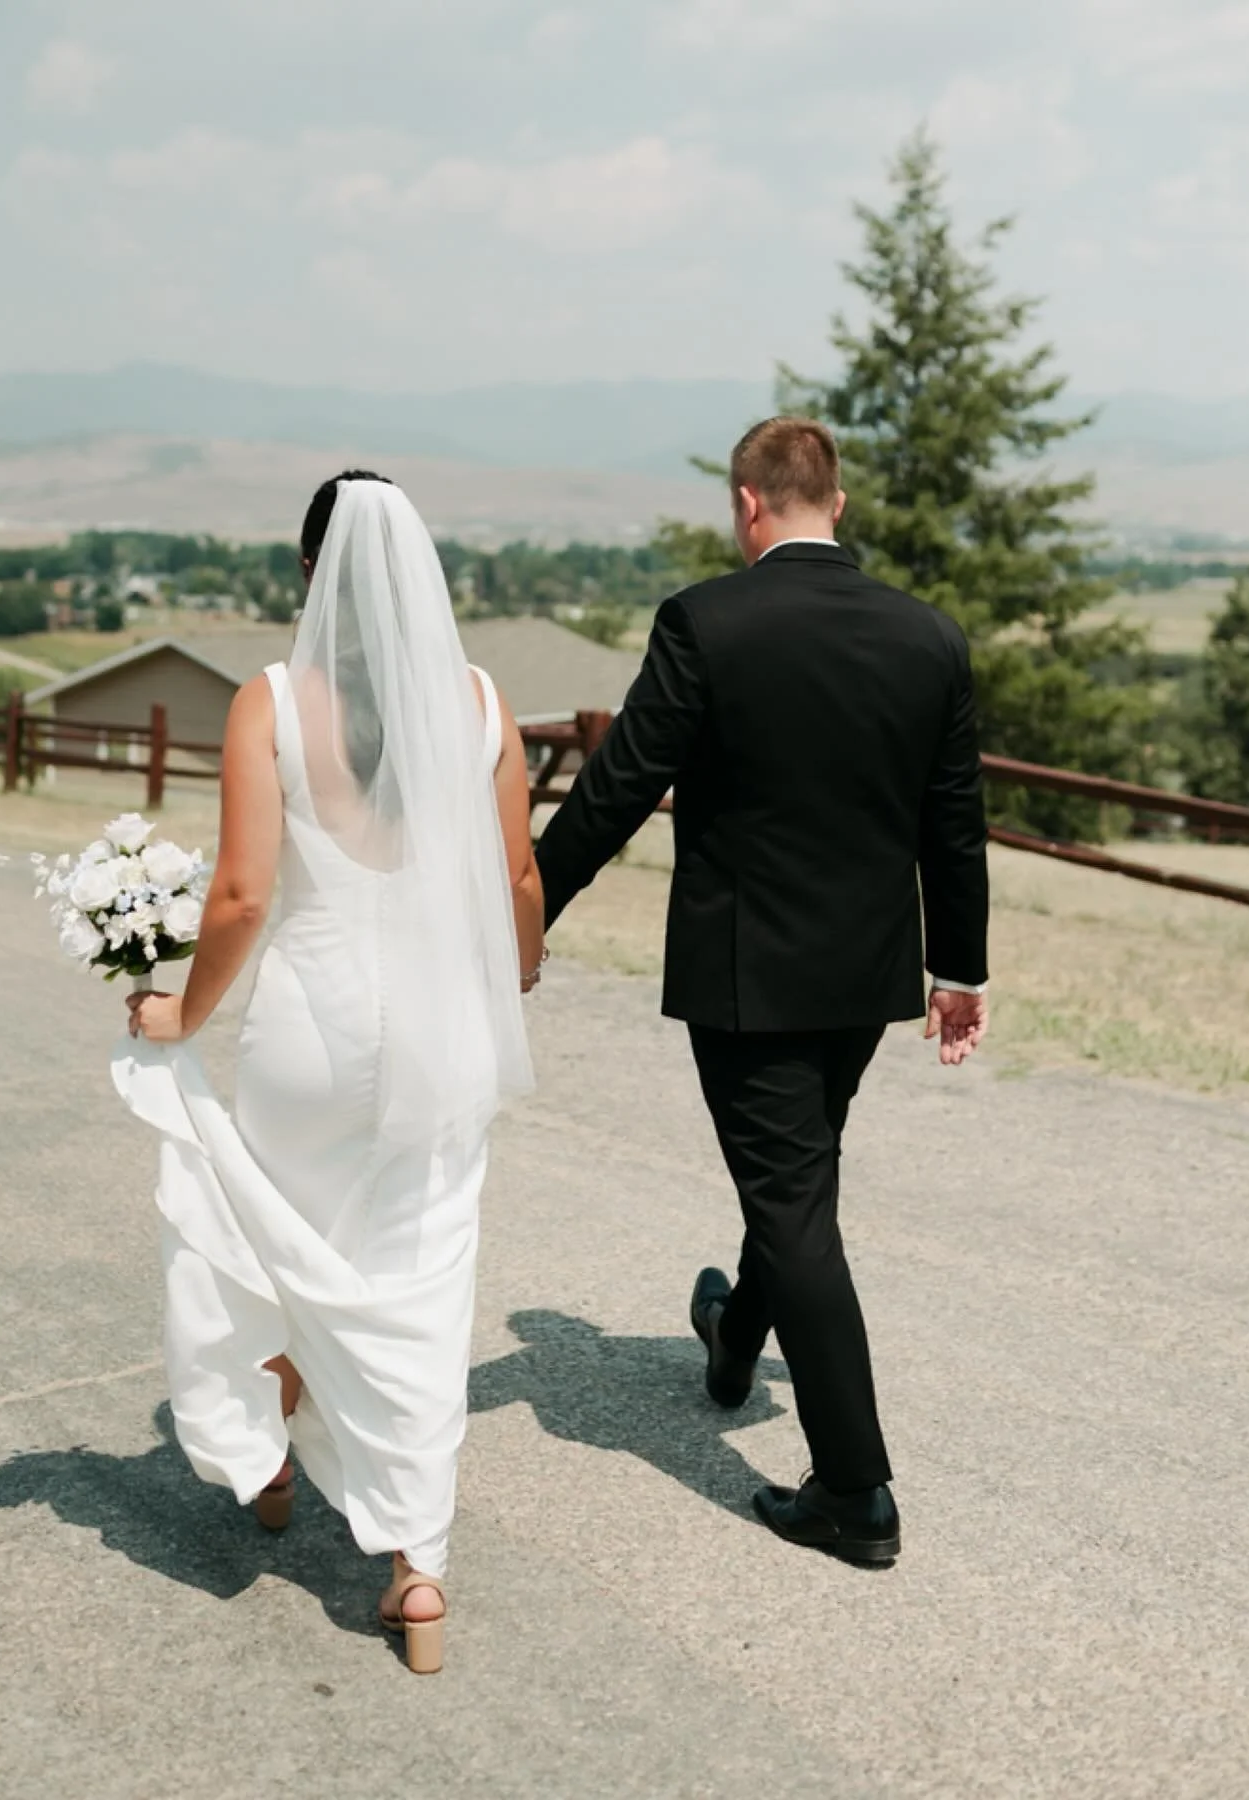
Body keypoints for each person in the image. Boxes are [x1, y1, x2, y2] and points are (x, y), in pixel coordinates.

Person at [534, 417, 990, 1566]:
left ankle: (854, 1491)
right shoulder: (929, 637)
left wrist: (525, 907)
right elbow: (955, 820)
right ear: (835, 503)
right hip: (869, 978)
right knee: (795, 1174)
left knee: (792, 1204)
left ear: (747, 505)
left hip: (750, 981)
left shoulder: (706, 621)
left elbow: (620, 785)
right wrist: (960, 968)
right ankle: (737, 1335)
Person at [120, 472, 543, 1672]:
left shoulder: (266, 703)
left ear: (311, 574)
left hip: (307, 1037)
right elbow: (515, 884)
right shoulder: (476, 702)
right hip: (439, 1038)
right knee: (421, 1276)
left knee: (282, 1243)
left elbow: (245, 896)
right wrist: (523, 966)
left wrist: (180, 1012)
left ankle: (269, 1472)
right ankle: (417, 1576)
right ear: (417, 576)